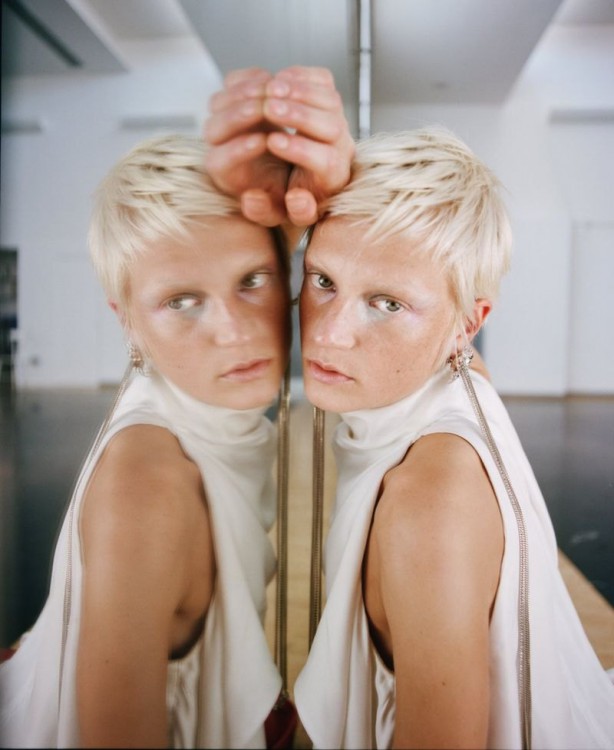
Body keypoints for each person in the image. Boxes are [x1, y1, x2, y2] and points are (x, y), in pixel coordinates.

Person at [0, 66, 354, 749]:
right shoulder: (148, 488)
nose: (232, 330)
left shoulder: (192, 408)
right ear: (126, 320)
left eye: (252, 281)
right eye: (181, 301)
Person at [291, 128, 614, 749]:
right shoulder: (455, 374)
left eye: (386, 304)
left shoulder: (430, 503)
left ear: (469, 322)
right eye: (322, 280)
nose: (328, 334)